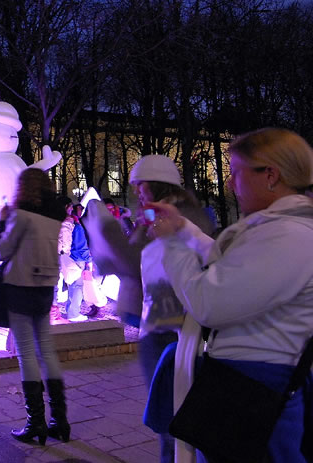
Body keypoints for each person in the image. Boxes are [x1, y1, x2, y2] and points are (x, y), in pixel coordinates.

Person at [146, 128, 313, 462]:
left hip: (251, 393)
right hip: (252, 385)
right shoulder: (281, 231)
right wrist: (182, 230)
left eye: (236, 172)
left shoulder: (289, 237)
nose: (231, 184)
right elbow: (234, 270)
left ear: (271, 176)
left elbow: (209, 302)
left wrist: (173, 245)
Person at [84, 155, 212, 463]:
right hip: (162, 322)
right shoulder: (161, 215)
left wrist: (106, 231)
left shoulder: (174, 218)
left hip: (171, 328)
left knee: (170, 415)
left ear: (156, 184)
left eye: (141, 185)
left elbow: (135, 262)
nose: (137, 192)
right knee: (175, 413)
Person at [0, 168, 67, 445]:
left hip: (20, 287)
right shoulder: (54, 217)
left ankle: (35, 422)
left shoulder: (20, 215)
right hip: (46, 288)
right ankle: (60, 420)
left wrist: (2, 223)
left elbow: (2, 252)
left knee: (26, 353)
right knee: (47, 351)